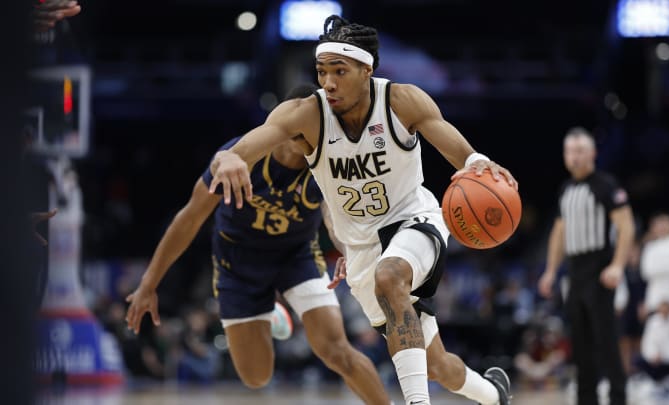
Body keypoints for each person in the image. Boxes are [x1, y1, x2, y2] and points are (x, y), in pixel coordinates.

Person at [209, 14, 516, 405]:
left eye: (340, 71)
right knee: (436, 364)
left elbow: (453, 144)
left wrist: (476, 163)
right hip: (363, 250)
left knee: (391, 276)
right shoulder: (307, 113)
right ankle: (493, 393)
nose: (328, 82)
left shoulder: (402, 100)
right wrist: (231, 158)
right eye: (322, 72)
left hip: (413, 220)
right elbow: (242, 148)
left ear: (366, 69)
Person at [125, 84, 392, 405]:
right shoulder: (245, 156)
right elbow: (189, 219)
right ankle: (271, 308)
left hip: (297, 257)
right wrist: (149, 284)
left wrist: (351, 252)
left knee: (337, 351)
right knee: (256, 377)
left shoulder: (327, 164)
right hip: (238, 263)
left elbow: (333, 220)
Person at [538, 127, 635, 405]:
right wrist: (550, 271)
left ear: (592, 153)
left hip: (600, 267)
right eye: (570, 151)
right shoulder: (566, 189)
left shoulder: (606, 184)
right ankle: (586, 399)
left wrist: (617, 265)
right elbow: (559, 232)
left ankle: (618, 398)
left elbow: (626, 226)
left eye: (580, 150)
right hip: (575, 271)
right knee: (580, 346)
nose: (575, 157)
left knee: (607, 342)